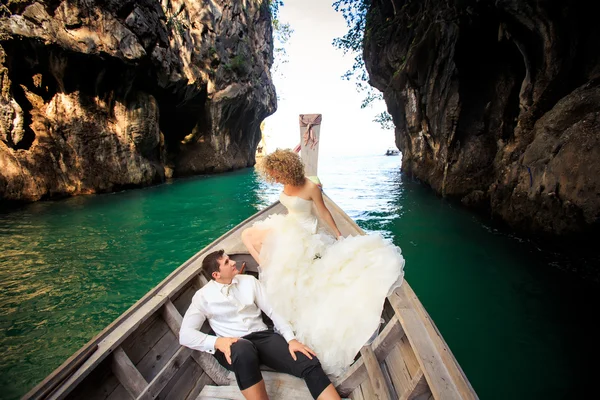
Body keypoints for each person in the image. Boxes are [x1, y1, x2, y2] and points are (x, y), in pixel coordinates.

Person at [241, 149, 405, 378]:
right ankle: (267, 266)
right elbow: (285, 155)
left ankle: (274, 273)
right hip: (287, 225)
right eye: (272, 174)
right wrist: (296, 147)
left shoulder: (310, 187)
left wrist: (338, 233)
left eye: (276, 173)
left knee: (283, 263)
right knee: (248, 235)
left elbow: (324, 212)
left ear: (286, 169)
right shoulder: (286, 179)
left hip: (304, 232)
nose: (274, 178)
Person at [179, 249, 342, 400]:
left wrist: (291, 339)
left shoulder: (249, 281)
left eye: (230, 259)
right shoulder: (202, 297)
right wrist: (217, 342)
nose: (233, 262)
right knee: (243, 349)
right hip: (234, 346)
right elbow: (185, 335)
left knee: (306, 360)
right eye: (227, 263)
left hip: (263, 337)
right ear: (216, 274)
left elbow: (273, 311)